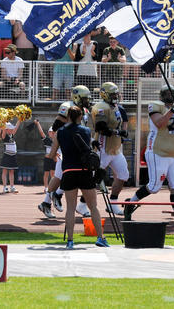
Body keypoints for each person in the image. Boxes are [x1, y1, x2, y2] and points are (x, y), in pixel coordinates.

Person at [48, 105, 110, 249]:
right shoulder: (86, 130)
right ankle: (101, 238)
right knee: (93, 207)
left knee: (70, 208)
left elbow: (52, 153)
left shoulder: (60, 132)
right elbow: (88, 148)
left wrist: (53, 156)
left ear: (68, 116)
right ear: (80, 117)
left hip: (69, 171)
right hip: (84, 171)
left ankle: (70, 241)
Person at [124, 86, 174, 218]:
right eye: (167, 93)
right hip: (158, 151)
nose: (169, 96)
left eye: (171, 93)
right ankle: (131, 202)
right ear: (162, 95)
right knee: (154, 187)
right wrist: (172, 111)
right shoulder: (156, 105)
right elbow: (159, 123)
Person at [91, 82, 129, 215]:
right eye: (112, 94)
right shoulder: (101, 107)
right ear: (105, 95)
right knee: (95, 178)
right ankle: (82, 204)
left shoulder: (117, 107)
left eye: (116, 94)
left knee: (123, 175)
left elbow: (122, 122)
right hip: (103, 147)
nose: (115, 96)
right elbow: (101, 128)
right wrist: (118, 132)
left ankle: (113, 203)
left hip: (116, 149)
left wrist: (121, 133)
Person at [0, 120, 19, 193]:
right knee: (4, 171)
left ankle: (12, 187)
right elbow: (3, 132)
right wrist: (4, 124)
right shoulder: (5, 136)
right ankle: (5, 187)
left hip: (13, 156)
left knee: (12, 171)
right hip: (7, 155)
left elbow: (16, 128)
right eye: (11, 129)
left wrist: (20, 120)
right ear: (7, 129)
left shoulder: (12, 135)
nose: (12, 130)